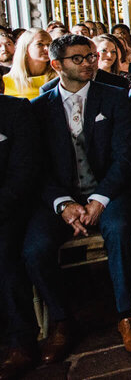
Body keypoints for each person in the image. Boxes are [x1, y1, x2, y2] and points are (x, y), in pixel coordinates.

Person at [24, 34, 131, 360]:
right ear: (56, 65)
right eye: (78, 58)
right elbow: (36, 167)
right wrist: (64, 205)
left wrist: (100, 199)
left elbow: (125, 157)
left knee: (120, 228)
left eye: (91, 56)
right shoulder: (38, 109)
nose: (89, 63)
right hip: (61, 199)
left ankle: (126, 316)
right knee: (34, 247)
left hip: (108, 191)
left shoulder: (115, 97)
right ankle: (63, 321)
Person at [0, 84, 41, 379]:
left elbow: (24, 172)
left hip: (12, 205)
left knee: (3, 251)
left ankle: (21, 339)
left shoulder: (16, 111)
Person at [2, 28, 55, 99]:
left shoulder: (59, 79)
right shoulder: (5, 82)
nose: (46, 48)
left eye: (49, 44)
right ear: (26, 48)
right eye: (40, 44)